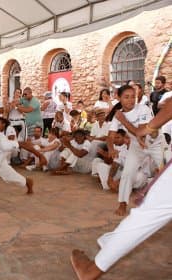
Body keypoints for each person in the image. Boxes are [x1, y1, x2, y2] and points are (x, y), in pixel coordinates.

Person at [70, 96, 172, 280]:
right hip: (135, 157)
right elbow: (112, 141)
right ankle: (110, 241)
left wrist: (145, 129)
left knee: (147, 213)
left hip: (149, 153)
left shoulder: (142, 111)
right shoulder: (119, 120)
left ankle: (91, 269)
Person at [106, 85, 159, 216]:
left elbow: (140, 132)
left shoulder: (143, 108)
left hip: (155, 143)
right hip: (137, 146)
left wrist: (123, 121)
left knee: (165, 170)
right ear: (118, 97)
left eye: (133, 97)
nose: (131, 100)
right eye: (126, 97)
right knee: (127, 174)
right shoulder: (118, 116)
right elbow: (110, 136)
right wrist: (111, 148)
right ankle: (122, 204)